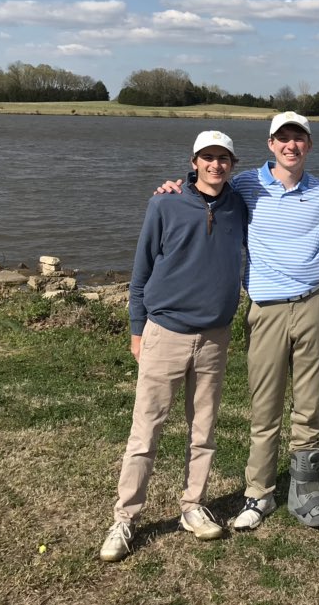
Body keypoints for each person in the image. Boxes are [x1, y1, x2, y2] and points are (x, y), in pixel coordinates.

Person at [154, 112, 319, 531]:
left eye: (299, 139)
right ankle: (259, 493)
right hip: (267, 309)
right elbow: (206, 191)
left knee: (309, 403)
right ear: (271, 144)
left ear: (308, 146)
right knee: (266, 404)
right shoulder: (245, 185)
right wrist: (175, 188)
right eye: (283, 139)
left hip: (313, 304)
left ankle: (305, 487)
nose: (291, 146)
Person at [100, 130, 247, 562]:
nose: (215, 165)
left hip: (215, 336)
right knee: (145, 431)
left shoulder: (239, 204)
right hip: (165, 331)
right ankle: (125, 518)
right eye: (208, 157)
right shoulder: (164, 202)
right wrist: (136, 329)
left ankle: (192, 505)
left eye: (223, 158)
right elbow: (141, 270)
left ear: (232, 164)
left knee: (203, 430)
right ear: (194, 161)